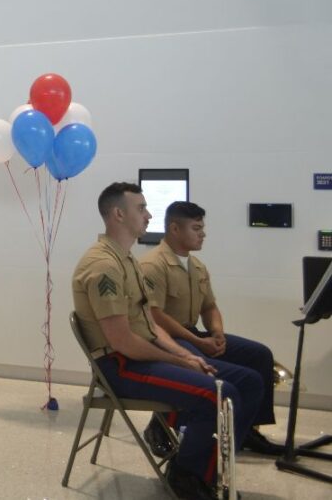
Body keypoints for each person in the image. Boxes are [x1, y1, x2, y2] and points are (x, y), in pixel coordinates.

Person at [72, 182, 263, 500]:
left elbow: (150, 326)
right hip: (121, 366)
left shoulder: (127, 259)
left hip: (141, 355)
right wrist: (181, 359)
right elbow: (123, 342)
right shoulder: (103, 266)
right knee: (220, 394)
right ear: (119, 214)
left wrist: (184, 355)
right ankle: (187, 475)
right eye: (141, 208)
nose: (148, 215)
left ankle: (208, 468)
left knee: (249, 382)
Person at [139, 201, 283, 456]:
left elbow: (210, 307)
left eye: (202, 227)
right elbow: (155, 316)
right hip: (166, 338)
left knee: (260, 355)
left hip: (192, 333)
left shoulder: (196, 267)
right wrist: (198, 341)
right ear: (174, 229)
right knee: (201, 362)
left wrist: (216, 333)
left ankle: (248, 428)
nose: (202, 233)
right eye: (196, 228)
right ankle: (162, 424)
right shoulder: (154, 265)